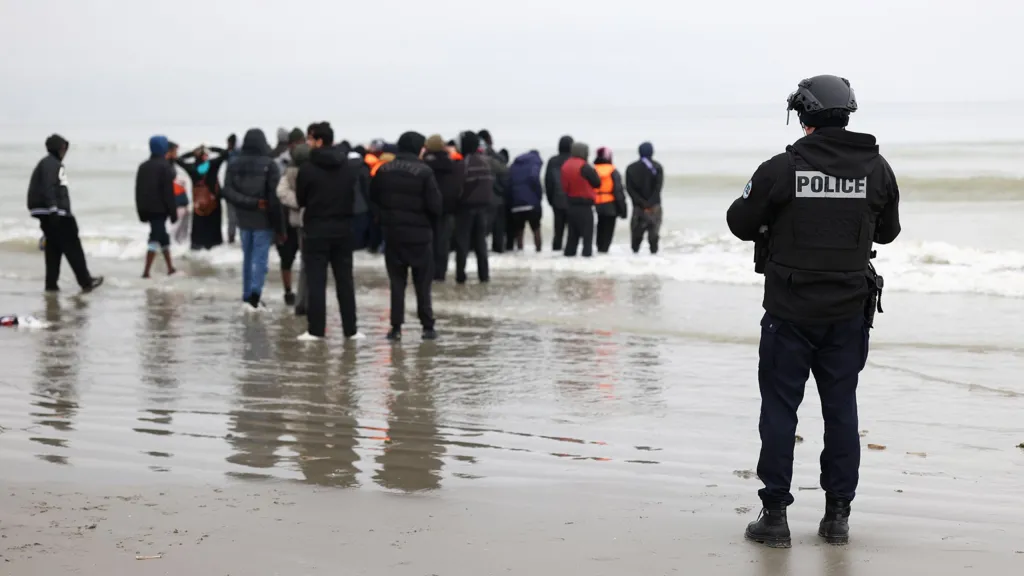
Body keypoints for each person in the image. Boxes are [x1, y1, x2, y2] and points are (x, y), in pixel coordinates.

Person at [728, 75, 901, 549]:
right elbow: (888, 233)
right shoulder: (877, 168)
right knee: (841, 410)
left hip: (789, 313)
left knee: (780, 410)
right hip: (847, 314)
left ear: (804, 114)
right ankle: (837, 517)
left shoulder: (782, 168)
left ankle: (775, 518)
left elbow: (739, 221)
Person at [370, 131, 444, 341]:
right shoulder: (424, 172)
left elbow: (373, 198)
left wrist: (382, 219)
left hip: (393, 234)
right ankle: (427, 327)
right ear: (418, 148)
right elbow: (436, 206)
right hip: (420, 236)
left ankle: (395, 328)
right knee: (422, 284)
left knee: (397, 283)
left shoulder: (383, 170)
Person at [296, 122, 361, 340]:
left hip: (316, 229)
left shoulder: (307, 169)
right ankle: (351, 329)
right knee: (345, 281)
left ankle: (316, 330)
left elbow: (301, 199)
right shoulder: (348, 166)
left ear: (319, 141)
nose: (308, 143)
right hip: (343, 229)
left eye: (310, 138)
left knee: (316, 281)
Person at [26, 134, 104, 292]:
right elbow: (49, 186)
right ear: (58, 148)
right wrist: (53, 208)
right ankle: (85, 281)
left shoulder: (47, 163)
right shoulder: (52, 164)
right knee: (72, 243)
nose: (65, 151)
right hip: (55, 212)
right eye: (63, 147)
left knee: (54, 246)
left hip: (46, 211)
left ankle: (51, 285)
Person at [221, 129, 284, 310]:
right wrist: (280, 227)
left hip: (243, 218)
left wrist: (248, 203)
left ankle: (247, 294)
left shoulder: (233, 164)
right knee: (260, 258)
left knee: (247, 258)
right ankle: (255, 294)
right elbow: (274, 199)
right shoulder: (270, 165)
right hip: (263, 219)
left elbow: (227, 191)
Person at [453, 131, 494, 284]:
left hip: (465, 208)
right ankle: (484, 275)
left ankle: (461, 275)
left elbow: (458, 188)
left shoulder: (464, 164)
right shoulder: (485, 163)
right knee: (481, 243)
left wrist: (455, 203)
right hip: (483, 208)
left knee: (462, 243)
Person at [135, 135, 179, 278]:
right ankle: (146, 272)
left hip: (147, 209)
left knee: (163, 237)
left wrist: (140, 211)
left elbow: (138, 191)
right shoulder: (165, 167)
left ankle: (170, 268)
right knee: (155, 237)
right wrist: (173, 213)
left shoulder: (143, 166)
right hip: (160, 210)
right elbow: (168, 193)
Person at [276, 142, 311, 314]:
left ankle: (292, 295)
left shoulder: (288, 173)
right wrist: (303, 203)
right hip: (309, 222)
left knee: (288, 259)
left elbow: (281, 193)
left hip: (290, 221)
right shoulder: (313, 171)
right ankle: (305, 300)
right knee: (307, 262)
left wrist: (296, 202)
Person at [422, 134, 463, 281]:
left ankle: (427, 273)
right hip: (447, 208)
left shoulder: (423, 164)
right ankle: (440, 274)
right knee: (443, 243)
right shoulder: (452, 164)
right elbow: (457, 186)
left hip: (426, 209)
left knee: (427, 242)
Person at [177, 142, 230, 250]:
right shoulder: (212, 164)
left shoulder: (192, 168)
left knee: (199, 227)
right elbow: (225, 154)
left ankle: (197, 247)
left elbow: (178, 160)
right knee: (213, 228)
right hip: (214, 203)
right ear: (205, 156)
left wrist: (192, 153)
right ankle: (214, 248)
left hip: (198, 204)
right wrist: (212, 148)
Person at [560, 142, 601, 257]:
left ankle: (568, 261)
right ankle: (586, 262)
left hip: (570, 205)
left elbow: (564, 187)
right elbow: (597, 183)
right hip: (585, 206)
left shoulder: (565, 165)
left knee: (572, 238)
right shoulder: (585, 167)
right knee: (587, 239)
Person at [625, 142, 665, 254]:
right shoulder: (657, 167)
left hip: (638, 207)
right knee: (653, 236)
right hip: (654, 207)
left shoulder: (631, 168)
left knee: (636, 238)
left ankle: (634, 259)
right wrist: (650, 203)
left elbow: (630, 189)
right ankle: (654, 259)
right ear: (652, 152)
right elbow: (658, 188)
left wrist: (642, 203)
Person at [478, 129, 510, 253]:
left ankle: (481, 253)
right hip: (496, 196)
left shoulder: (473, 157)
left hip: (481, 197)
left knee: (482, 229)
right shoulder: (494, 156)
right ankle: (497, 253)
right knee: (498, 229)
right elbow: (504, 172)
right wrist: (502, 191)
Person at [507, 149, 544, 252]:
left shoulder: (514, 165)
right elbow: (534, 178)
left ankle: (520, 253)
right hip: (531, 204)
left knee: (519, 230)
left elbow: (509, 184)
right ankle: (538, 252)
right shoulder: (535, 162)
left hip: (516, 204)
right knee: (536, 228)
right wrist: (539, 196)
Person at [592, 147, 628, 253]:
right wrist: (623, 209)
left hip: (597, 203)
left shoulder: (593, 170)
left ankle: (599, 250)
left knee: (600, 227)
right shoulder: (613, 171)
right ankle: (604, 252)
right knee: (608, 231)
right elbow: (618, 191)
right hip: (610, 204)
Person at [545, 136, 574, 251]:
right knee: (572, 233)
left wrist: (550, 200)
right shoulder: (574, 161)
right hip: (572, 201)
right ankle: (570, 256)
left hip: (557, 200)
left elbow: (548, 182)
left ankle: (555, 255)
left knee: (558, 233)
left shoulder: (552, 161)